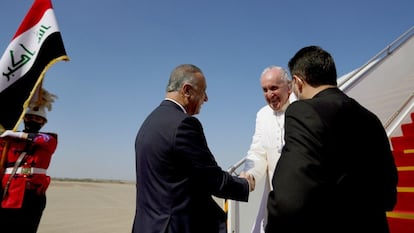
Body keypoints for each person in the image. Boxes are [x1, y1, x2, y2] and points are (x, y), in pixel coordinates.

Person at [266, 45, 398, 233]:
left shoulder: (303, 111)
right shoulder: (371, 118)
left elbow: (288, 200)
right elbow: (388, 195)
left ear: (297, 82)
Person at [132, 64, 253, 233]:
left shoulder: (149, 123)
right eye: (203, 91)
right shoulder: (183, 125)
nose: (206, 98)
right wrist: (245, 184)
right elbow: (212, 179)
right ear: (187, 90)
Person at [240, 65, 295, 233]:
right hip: (275, 196)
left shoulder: (302, 107)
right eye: (264, 90)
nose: (269, 94)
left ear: (289, 86)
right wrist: (249, 174)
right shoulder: (262, 115)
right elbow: (257, 152)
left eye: (274, 88)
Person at [0, 88, 58, 233]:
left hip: (32, 194)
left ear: (43, 123)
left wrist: (18, 135)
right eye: (30, 117)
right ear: (24, 119)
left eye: (38, 119)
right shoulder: (9, 140)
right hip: (8, 192)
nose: (33, 120)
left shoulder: (49, 138)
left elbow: (43, 140)